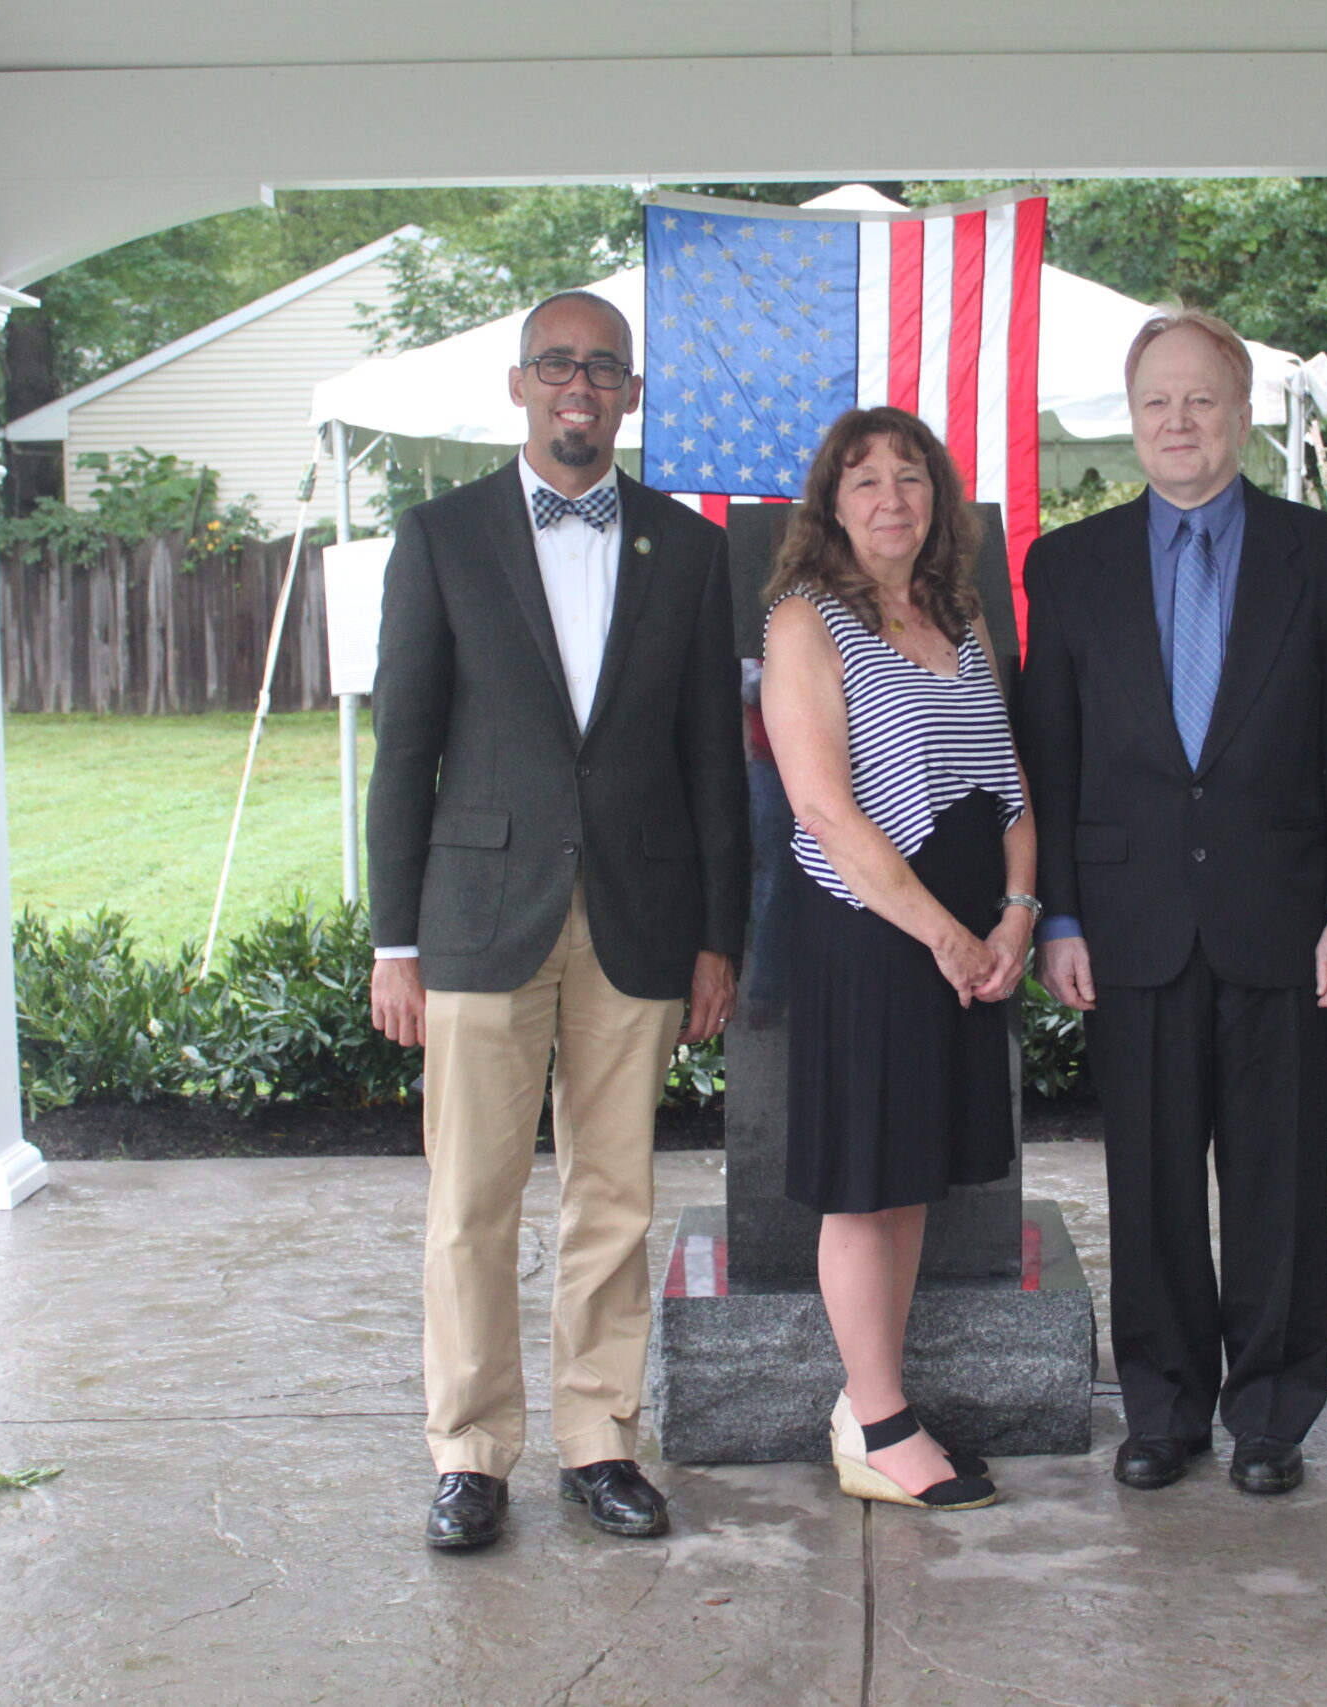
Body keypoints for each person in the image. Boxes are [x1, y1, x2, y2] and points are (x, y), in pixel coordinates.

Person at [367, 289, 749, 1551]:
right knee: (470, 1201)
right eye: (556, 366)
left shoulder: (686, 552)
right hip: (478, 916)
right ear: (519, 383)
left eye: (602, 369)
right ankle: (471, 1454)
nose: (578, 387)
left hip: (638, 920)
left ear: (632, 395)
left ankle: (600, 1441)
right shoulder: (441, 538)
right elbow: (405, 749)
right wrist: (394, 942)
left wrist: (718, 939)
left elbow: (711, 760)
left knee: (614, 1196)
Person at [1020, 310, 1327, 1497]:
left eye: (1201, 401)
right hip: (1128, 924)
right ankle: (1166, 1407)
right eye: (1155, 404)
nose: (1177, 423)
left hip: (1284, 916)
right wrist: (1060, 917)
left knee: (1280, 1179)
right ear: (1130, 423)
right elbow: (1053, 757)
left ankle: (1272, 1413)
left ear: (1240, 413)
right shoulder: (1066, 566)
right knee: (1151, 1178)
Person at [760, 406, 1033, 1513]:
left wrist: (1014, 916)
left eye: (910, 477)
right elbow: (823, 809)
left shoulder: (958, 615)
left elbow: (1012, 785)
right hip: (873, 942)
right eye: (863, 480)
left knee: (909, 1176)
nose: (890, 498)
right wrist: (946, 936)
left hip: (967, 948)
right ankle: (874, 1421)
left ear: (940, 499)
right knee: (865, 1184)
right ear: (830, 503)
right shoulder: (804, 621)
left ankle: (878, 1407)